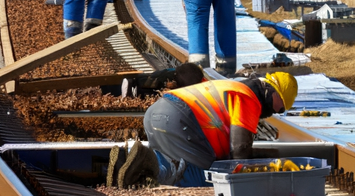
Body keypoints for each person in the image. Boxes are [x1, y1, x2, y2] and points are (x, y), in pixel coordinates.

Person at [110, 71, 298, 188]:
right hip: (179, 118)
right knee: (203, 178)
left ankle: (126, 163)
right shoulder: (249, 97)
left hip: (157, 111)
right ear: (272, 91)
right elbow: (240, 150)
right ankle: (145, 167)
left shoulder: (234, 85)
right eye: (280, 107)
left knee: (171, 162)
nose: (275, 112)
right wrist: (246, 182)